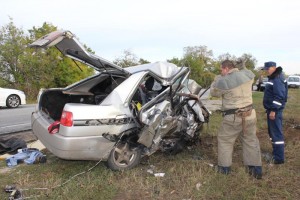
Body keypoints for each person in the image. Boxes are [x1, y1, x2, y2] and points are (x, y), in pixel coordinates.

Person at [210, 59, 262, 179]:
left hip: (233, 117)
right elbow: (248, 72)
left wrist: (216, 80)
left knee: (225, 141)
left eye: (221, 69)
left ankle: (224, 169)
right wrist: (243, 66)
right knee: (251, 140)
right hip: (250, 114)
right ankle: (255, 170)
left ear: (226, 68)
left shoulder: (224, 81)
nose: (221, 71)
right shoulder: (247, 75)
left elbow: (214, 92)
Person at [262, 61, 288, 164]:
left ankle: (278, 158)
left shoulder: (277, 78)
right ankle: (276, 153)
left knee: (276, 134)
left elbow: (279, 97)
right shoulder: (274, 77)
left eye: (267, 69)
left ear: (274, 67)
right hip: (272, 110)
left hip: (275, 111)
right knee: (273, 133)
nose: (266, 71)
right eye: (266, 69)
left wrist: (273, 110)